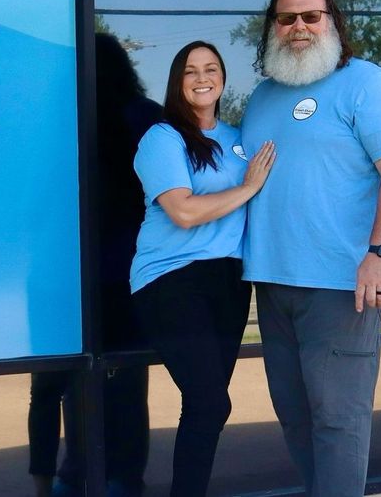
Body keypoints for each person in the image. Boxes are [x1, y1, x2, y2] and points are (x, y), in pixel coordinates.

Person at [239, 0, 381, 497]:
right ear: (273, 27)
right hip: (271, 284)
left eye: (311, 17)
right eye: (287, 18)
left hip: (342, 286)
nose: (299, 27)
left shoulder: (367, 82)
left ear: (333, 22)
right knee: (295, 419)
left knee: (338, 422)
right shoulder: (262, 96)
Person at [130, 41, 276, 496]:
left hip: (229, 282)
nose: (201, 78)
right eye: (190, 71)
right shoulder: (163, 138)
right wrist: (249, 187)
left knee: (206, 406)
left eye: (210, 69)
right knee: (210, 401)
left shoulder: (239, 140)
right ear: (177, 81)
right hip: (170, 279)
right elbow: (184, 212)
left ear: (223, 79)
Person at [28, 33, 162, 497]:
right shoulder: (146, 119)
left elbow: (36, 203)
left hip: (59, 275)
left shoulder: (59, 120)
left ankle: (65, 477)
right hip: (128, 273)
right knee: (125, 383)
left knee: (60, 386)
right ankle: (122, 478)